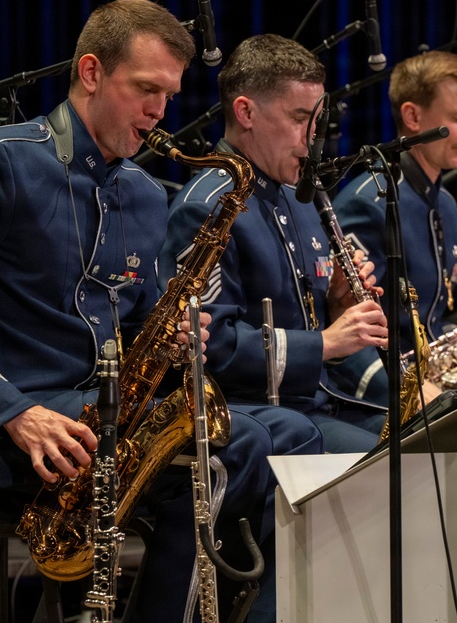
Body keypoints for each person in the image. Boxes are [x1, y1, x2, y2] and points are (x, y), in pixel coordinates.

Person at [0, 0, 322, 623]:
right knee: (233, 447)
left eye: (168, 95)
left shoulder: (143, 191)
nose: (160, 112)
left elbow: (139, 331)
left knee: (293, 432)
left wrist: (171, 342)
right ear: (90, 71)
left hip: (99, 422)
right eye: (145, 90)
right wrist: (13, 412)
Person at [159, 34, 389, 453]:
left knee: (427, 437)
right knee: (394, 466)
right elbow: (212, 349)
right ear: (246, 112)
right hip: (253, 418)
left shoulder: (300, 199)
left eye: (316, 123)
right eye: (300, 119)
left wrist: (338, 307)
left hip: (315, 405)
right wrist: (327, 342)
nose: (312, 139)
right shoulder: (208, 206)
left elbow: (315, 336)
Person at [333, 50, 457, 377]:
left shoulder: (445, 203)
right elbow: (346, 331)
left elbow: (441, 314)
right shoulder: (369, 202)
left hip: (429, 382)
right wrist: (406, 394)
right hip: (382, 396)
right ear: (412, 117)